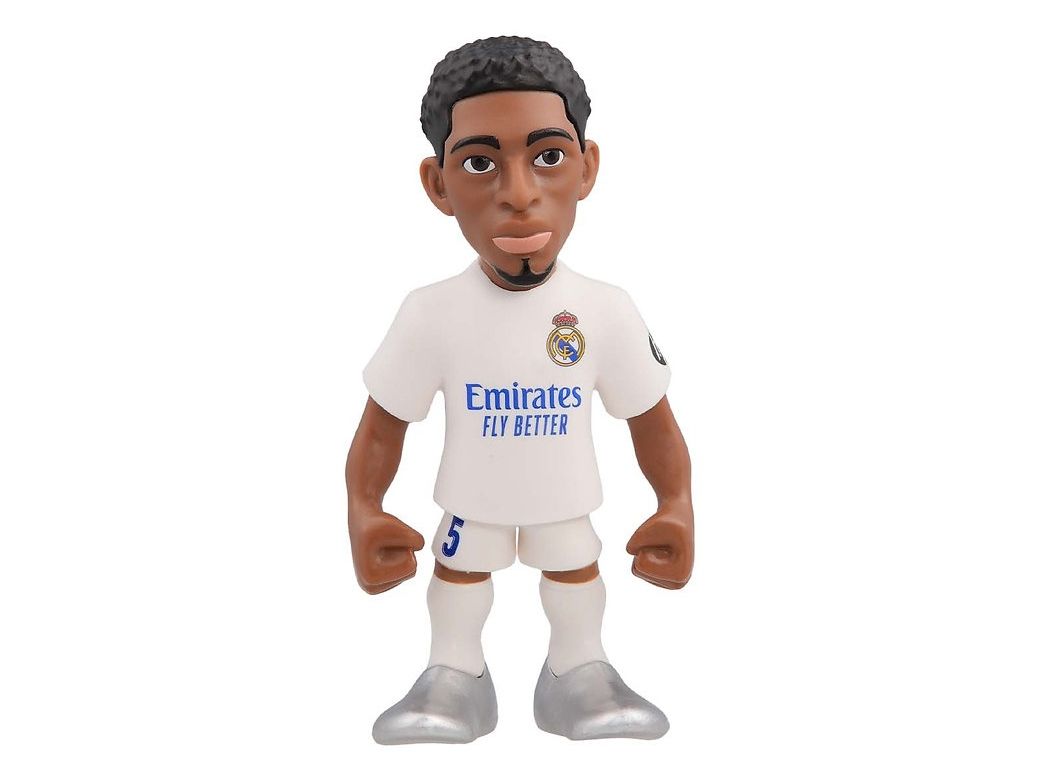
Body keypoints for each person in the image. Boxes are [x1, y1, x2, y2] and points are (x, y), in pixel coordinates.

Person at [345, 36, 694, 744]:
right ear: (438, 184)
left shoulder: (604, 310)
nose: (519, 193)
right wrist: (365, 507)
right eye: (480, 164)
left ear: (586, 167)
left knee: (574, 572)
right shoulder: (431, 313)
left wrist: (676, 501)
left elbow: (649, 416)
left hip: (561, 495)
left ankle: (578, 670)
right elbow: (384, 422)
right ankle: (454, 674)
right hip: (471, 497)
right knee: (459, 576)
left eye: (548, 157)